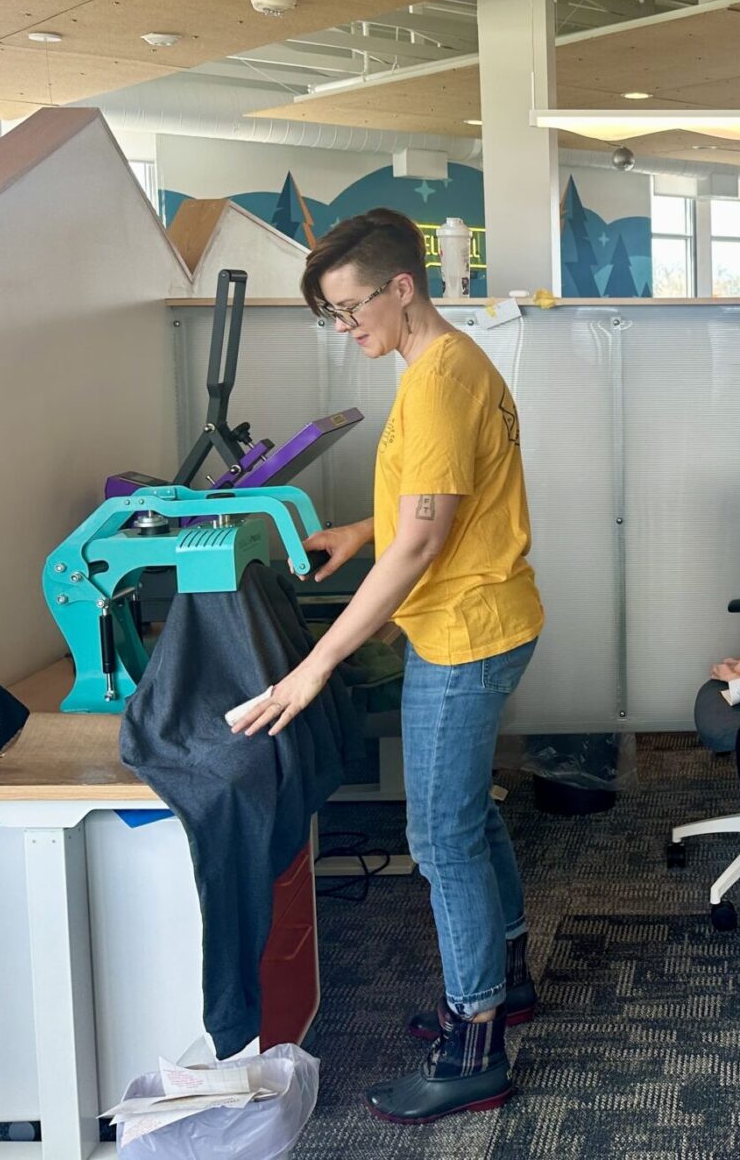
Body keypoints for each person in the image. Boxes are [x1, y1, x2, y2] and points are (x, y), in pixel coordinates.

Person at [233, 207, 544, 1124]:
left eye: (350, 307)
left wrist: (314, 665)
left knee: (440, 838)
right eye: (331, 314)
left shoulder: (438, 380)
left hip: (462, 635)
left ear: (401, 286)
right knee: (466, 818)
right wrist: (361, 528)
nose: (344, 327)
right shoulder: (448, 363)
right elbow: (440, 500)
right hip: (485, 616)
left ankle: (475, 1043)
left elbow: (423, 543)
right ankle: (507, 978)